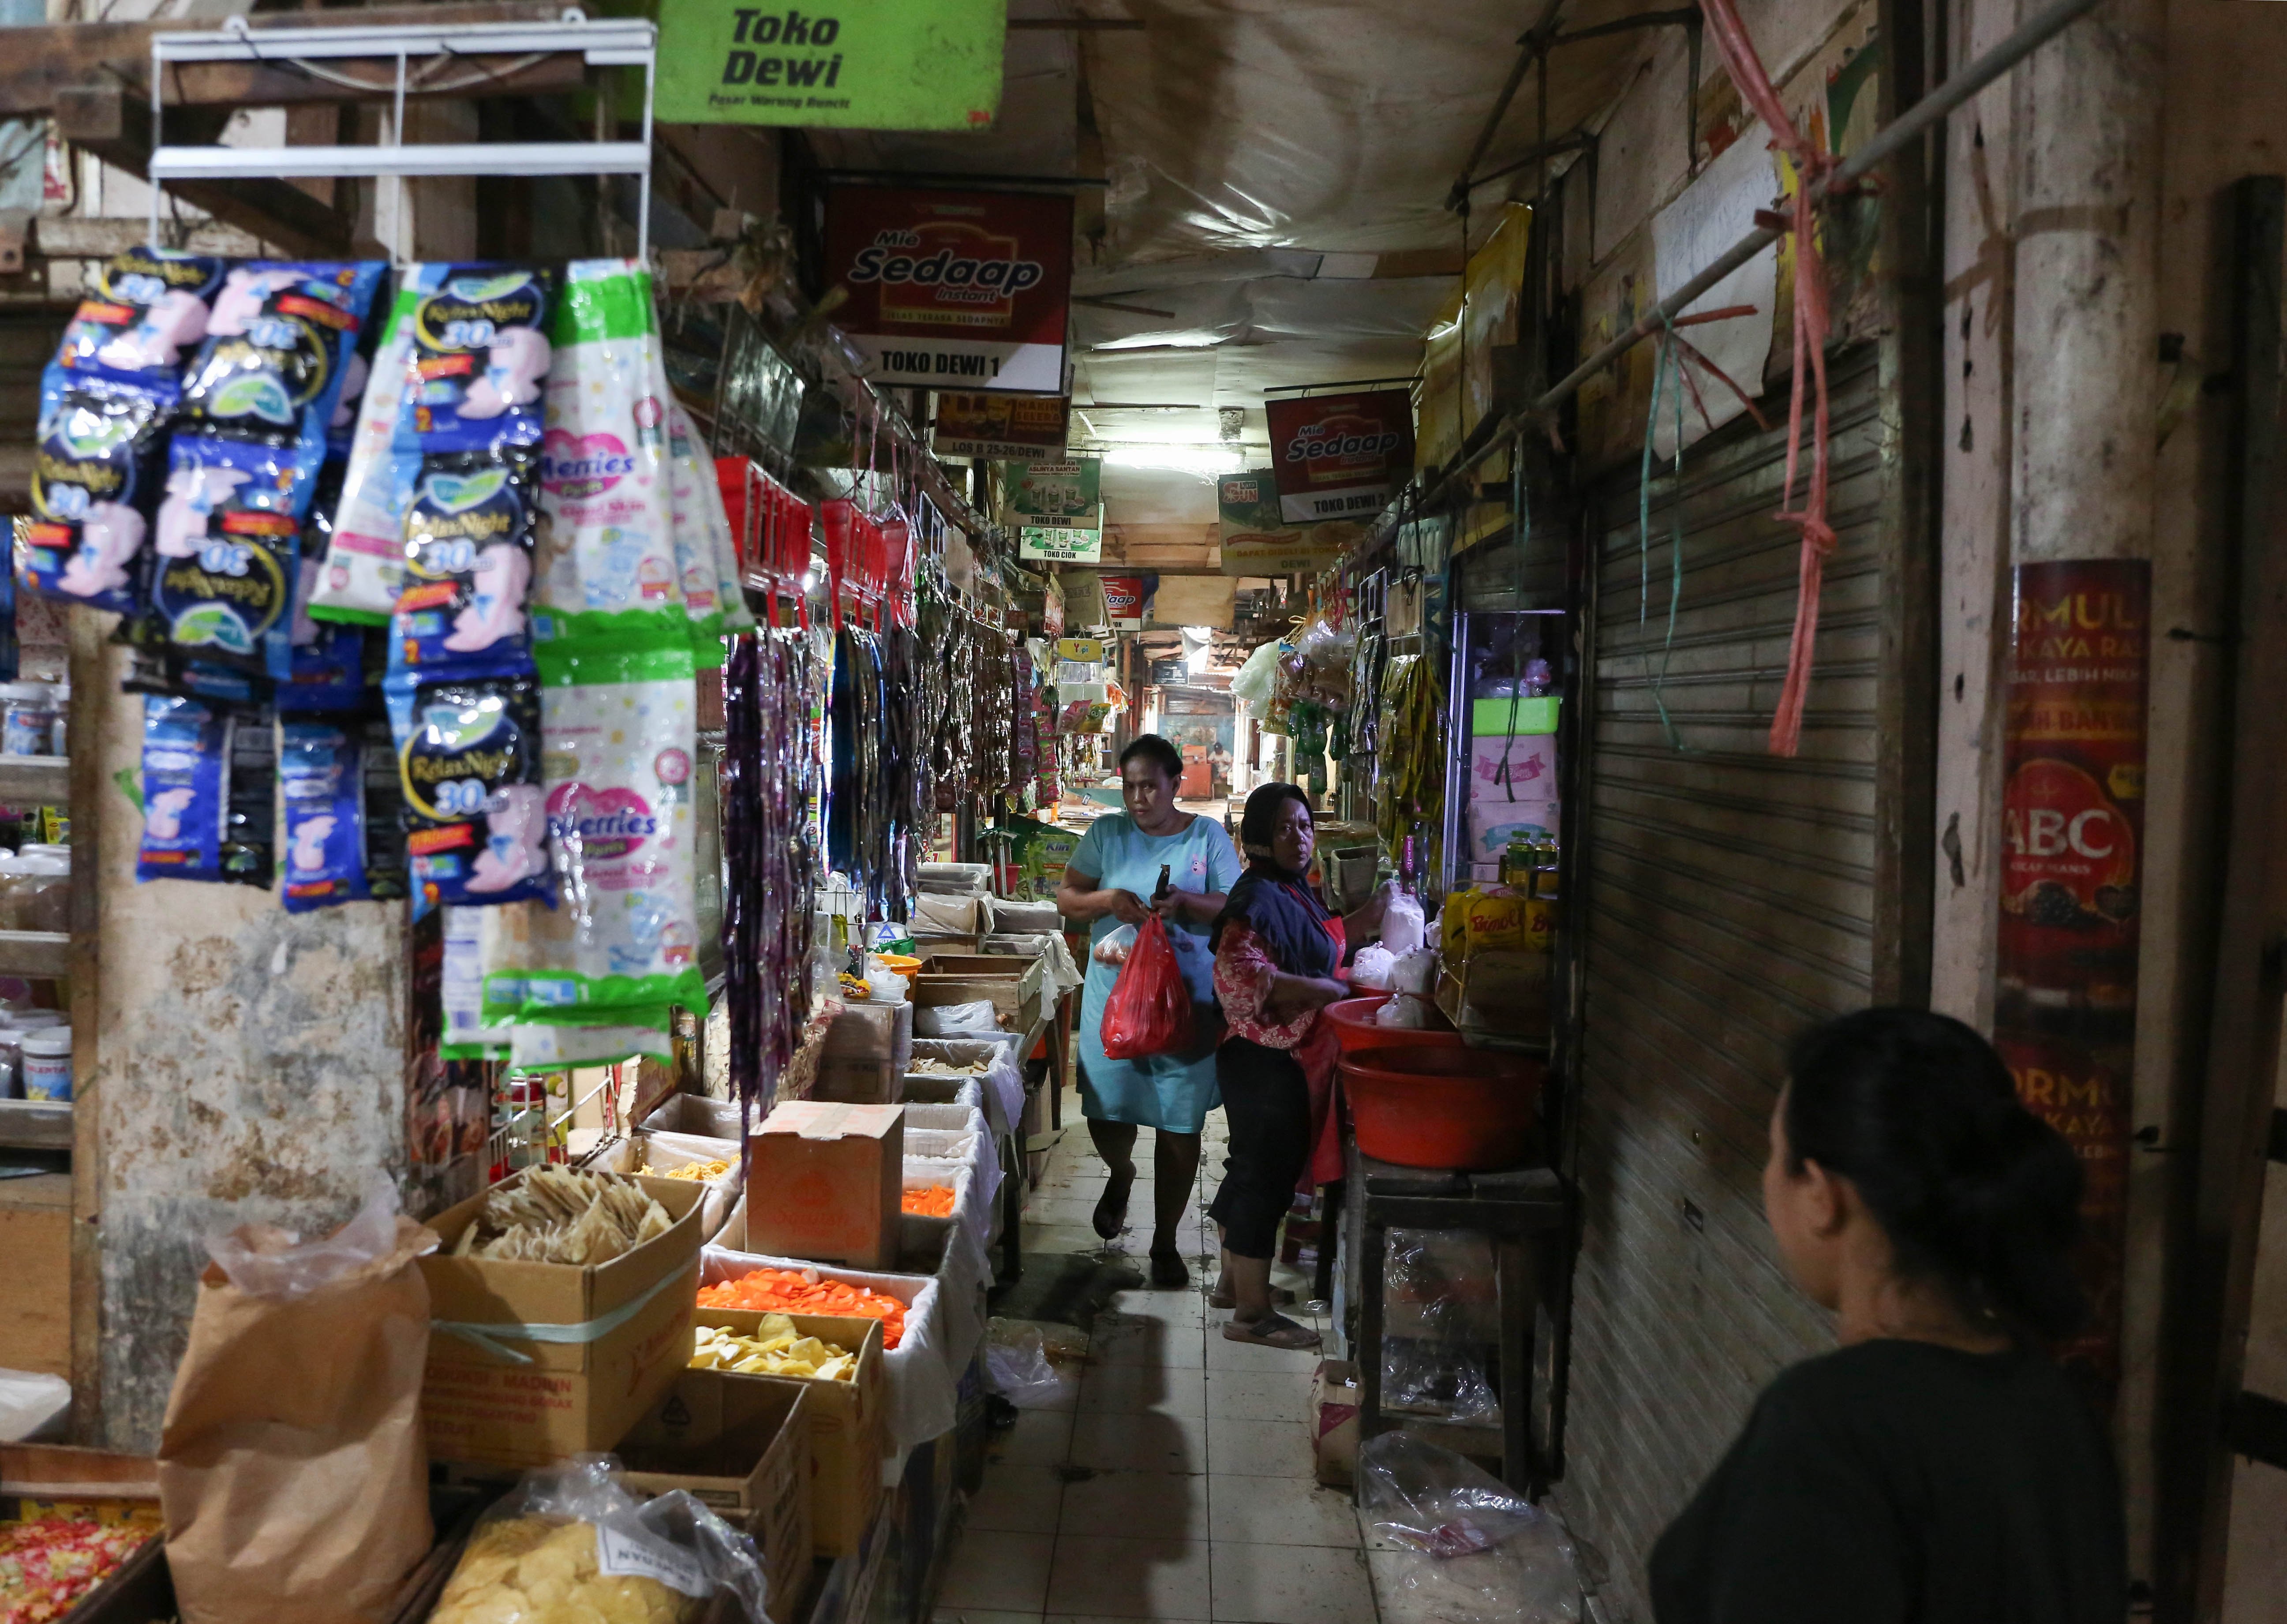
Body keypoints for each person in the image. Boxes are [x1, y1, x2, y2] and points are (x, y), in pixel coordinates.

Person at [1648, 1007, 2128, 1623]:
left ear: (1820, 1194)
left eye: (1774, 1152)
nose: (1768, 1180)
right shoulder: (2053, 1403)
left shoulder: (1829, 1426)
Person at [1055, 734, 1243, 1287]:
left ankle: (1165, 1241)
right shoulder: (1106, 833)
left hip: (1188, 1005)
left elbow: (1234, 902)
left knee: (1178, 1124)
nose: (1139, 799)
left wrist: (1186, 902)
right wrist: (1108, 901)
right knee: (1105, 1109)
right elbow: (1068, 897)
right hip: (1113, 1001)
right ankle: (1121, 1172)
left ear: (1174, 783)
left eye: (1150, 787)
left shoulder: (1206, 837)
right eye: (1130, 787)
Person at [1207, 782, 1387, 1348]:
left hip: (1269, 1056)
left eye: (1304, 825)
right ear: (1260, 836)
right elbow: (1240, 978)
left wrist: (1373, 914)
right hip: (1262, 1057)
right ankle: (1251, 1315)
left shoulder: (1289, 890)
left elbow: (1320, 939)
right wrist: (1322, 990)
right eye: (1284, 827)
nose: (1299, 837)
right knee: (1265, 1178)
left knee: (1249, 1167)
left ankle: (1233, 1284)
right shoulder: (1254, 899)